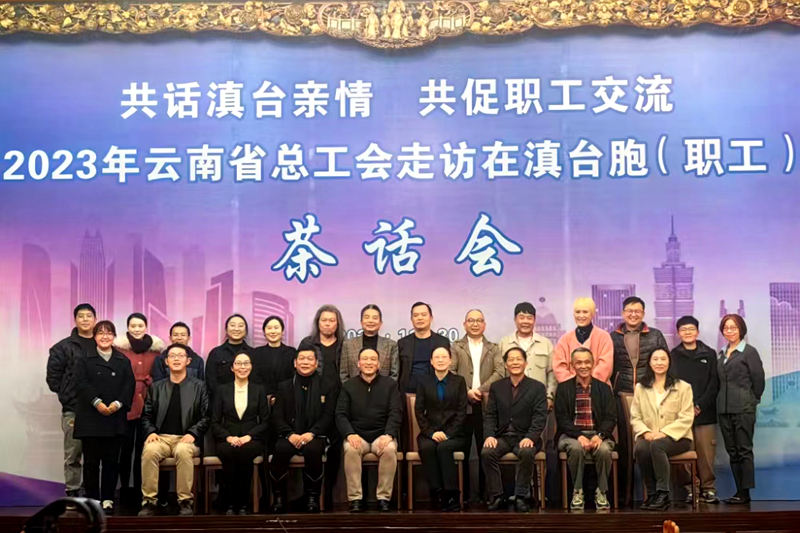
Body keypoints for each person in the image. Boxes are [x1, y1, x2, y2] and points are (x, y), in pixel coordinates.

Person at [139, 343, 210, 517]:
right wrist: (151, 432)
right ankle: (149, 501)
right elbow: (146, 415)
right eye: (172, 356)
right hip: (161, 438)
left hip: (187, 439)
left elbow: (206, 416)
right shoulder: (156, 387)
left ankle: (185, 501)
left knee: (183, 451)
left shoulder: (199, 386)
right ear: (166, 362)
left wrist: (193, 433)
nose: (176, 359)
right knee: (149, 451)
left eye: (180, 356)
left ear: (188, 361)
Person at [609, 296, 668, 504]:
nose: (633, 314)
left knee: (651, 442)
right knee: (625, 447)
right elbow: (608, 368)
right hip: (621, 395)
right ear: (623, 313)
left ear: (643, 314)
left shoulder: (655, 335)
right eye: (629, 311)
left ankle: (656, 493)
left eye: (638, 311)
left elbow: (664, 364)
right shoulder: (613, 337)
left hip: (650, 395)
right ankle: (623, 496)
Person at [73, 321, 134, 513]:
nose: (105, 336)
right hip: (90, 417)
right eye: (100, 333)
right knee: (91, 462)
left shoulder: (123, 360)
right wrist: (97, 402)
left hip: (115, 417)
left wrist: (117, 404)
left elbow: (129, 385)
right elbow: (80, 383)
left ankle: (108, 498)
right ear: (94, 336)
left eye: (109, 333)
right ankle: (92, 499)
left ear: (114, 336)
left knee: (111, 462)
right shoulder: (84, 358)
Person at [270, 342, 335, 513]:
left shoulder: (327, 385)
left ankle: (312, 497)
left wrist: (312, 433)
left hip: (315, 435)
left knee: (313, 450)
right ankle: (279, 498)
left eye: (309, 359)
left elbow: (328, 415)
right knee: (280, 449)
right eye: (302, 359)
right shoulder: (284, 386)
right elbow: (277, 416)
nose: (305, 362)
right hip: (289, 434)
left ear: (316, 363)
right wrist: (289, 434)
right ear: (295, 363)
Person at [482, 347, 548, 513]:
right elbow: (490, 415)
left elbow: (540, 417)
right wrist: (489, 435)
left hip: (525, 436)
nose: (515, 362)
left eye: (519, 359)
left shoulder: (537, 387)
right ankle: (498, 496)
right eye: (511, 360)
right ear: (505, 364)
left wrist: (531, 437)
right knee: (487, 452)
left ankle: (521, 496)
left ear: (525, 363)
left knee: (526, 452)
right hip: (503, 436)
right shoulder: (497, 387)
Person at [336, 348, 402, 513]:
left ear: (379, 364)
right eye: (365, 359)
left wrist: (389, 434)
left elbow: (395, 412)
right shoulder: (348, 386)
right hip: (358, 436)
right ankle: (355, 498)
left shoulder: (390, 385)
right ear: (358, 363)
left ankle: (383, 498)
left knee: (390, 449)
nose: (369, 362)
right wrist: (350, 434)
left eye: (373, 359)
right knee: (350, 449)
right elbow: (340, 414)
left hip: (382, 435)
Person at [449, 308, 503, 503]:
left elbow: (500, 372)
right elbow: (451, 372)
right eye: (471, 320)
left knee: (485, 450)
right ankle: (463, 495)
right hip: (462, 406)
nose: (475, 324)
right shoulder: (456, 347)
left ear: (484, 325)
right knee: (462, 451)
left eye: (479, 320)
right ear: (464, 324)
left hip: (486, 406)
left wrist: (480, 390)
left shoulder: (494, 348)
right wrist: (466, 392)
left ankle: (487, 494)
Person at [630, 348, 694, 511]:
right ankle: (652, 494)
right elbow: (635, 416)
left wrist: (664, 433)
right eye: (655, 359)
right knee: (641, 448)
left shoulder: (683, 387)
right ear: (650, 363)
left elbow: (687, 417)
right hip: (650, 436)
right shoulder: (641, 387)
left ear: (669, 362)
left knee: (657, 446)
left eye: (663, 359)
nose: (659, 363)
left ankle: (663, 493)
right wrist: (645, 432)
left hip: (679, 438)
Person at [554, 347, 616, 511]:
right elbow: (562, 419)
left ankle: (602, 492)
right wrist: (578, 435)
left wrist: (600, 435)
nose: (583, 366)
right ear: (572, 365)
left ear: (593, 363)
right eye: (579, 363)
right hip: (571, 435)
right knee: (576, 448)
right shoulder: (563, 388)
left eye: (587, 362)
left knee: (604, 450)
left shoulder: (604, 388)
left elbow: (611, 418)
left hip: (598, 434)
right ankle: (577, 491)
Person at [46, 303, 97, 497]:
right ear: (75, 319)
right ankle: (73, 492)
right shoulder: (62, 347)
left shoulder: (102, 344)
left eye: (89, 315)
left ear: (95, 319)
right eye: (81, 316)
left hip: (99, 410)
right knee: (73, 455)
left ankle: (92, 493)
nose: (85, 319)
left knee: (94, 457)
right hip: (73, 410)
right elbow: (53, 380)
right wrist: (68, 395)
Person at [114, 313, 165, 505]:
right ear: (128, 328)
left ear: (146, 327)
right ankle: (124, 489)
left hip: (149, 402)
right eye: (133, 326)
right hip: (126, 403)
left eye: (140, 326)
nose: (137, 329)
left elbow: (160, 376)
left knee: (144, 450)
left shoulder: (156, 351)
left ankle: (140, 490)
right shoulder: (119, 349)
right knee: (125, 450)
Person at [211, 351, 269, 515]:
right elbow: (214, 422)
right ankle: (230, 503)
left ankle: (243, 503)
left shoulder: (259, 390)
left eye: (246, 363)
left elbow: (265, 421)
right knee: (228, 452)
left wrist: (248, 436)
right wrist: (228, 437)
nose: (242, 367)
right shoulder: (222, 390)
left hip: (252, 438)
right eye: (238, 363)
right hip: (227, 438)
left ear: (251, 367)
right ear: (232, 368)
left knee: (245, 453)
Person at [299, 305, 345, 508]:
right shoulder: (307, 343)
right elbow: (300, 371)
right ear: (318, 322)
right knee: (311, 448)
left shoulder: (344, 345)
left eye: (332, 320)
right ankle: (309, 494)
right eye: (324, 320)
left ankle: (329, 493)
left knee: (336, 447)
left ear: (337, 323)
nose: (328, 324)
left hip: (339, 401)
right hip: (312, 403)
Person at [671, 316, 720, 504]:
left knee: (706, 454)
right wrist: (686, 408)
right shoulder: (673, 355)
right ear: (678, 333)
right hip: (681, 413)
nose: (688, 332)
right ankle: (692, 488)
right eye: (683, 330)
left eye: (691, 329)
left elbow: (714, 383)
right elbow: (672, 385)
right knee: (685, 452)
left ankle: (708, 488)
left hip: (705, 413)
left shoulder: (709, 354)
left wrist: (699, 405)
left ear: (697, 332)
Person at [717, 314, 764, 505]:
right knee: (732, 451)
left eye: (733, 327)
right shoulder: (722, 353)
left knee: (744, 451)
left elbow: (758, 380)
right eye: (726, 328)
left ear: (741, 330)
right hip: (724, 409)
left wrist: (752, 400)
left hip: (744, 408)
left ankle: (745, 493)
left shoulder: (749, 352)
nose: (729, 331)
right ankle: (739, 491)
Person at [415, 346, 467, 511]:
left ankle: (452, 495)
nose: (440, 360)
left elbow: (462, 412)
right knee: (427, 447)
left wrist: (448, 433)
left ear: (450, 360)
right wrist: (431, 433)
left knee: (444, 448)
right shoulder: (424, 382)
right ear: (431, 361)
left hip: (455, 434)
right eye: (437, 357)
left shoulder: (459, 381)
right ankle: (437, 493)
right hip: (429, 432)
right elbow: (419, 410)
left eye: (444, 357)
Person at [499, 302, 556, 410]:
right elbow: (500, 373)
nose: (525, 321)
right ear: (515, 319)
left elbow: (551, 373)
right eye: (521, 317)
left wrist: (549, 397)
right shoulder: (504, 343)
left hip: (539, 401)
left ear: (534, 320)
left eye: (529, 318)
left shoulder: (546, 343)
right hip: (511, 401)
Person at [553, 298, 614, 384]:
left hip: (599, 387)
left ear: (592, 314)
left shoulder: (604, 337)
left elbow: (605, 366)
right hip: (570, 389)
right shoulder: (564, 340)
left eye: (585, 312)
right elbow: (559, 367)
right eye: (577, 312)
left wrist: (589, 384)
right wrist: (573, 384)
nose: (581, 316)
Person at [398, 302, 451, 395]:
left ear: (431, 318)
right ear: (411, 319)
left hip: (434, 394)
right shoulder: (402, 343)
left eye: (423, 314)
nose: (420, 318)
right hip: (407, 393)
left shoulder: (442, 342)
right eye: (416, 315)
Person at [340, 304, 399, 383]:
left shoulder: (391, 345)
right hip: (353, 390)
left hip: (384, 390)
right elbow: (343, 374)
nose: (370, 321)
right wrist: (351, 389)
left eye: (375, 318)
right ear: (361, 322)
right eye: (367, 317)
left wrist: (385, 389)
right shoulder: (348, 344)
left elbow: (394, 375)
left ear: (381, 323)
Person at [205, 314, 253, 402]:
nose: (236, 329)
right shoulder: (216, 353)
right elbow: (211, 381)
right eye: (233, 325)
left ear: (246, 330)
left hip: (248, 401)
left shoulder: (253, 353)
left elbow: (256, 380)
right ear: (226, 329)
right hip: (221, 402)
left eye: (241, 326)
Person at [251, 316, 297, 396]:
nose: (272, 331)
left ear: (282, 331)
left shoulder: (291, 352)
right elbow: (255, 377)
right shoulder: (256, 353)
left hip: (287, 396)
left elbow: (293, 377)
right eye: (269, 328)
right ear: (264, 332)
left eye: (276, 328)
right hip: (262, 397)